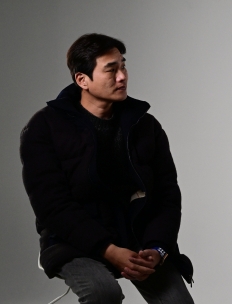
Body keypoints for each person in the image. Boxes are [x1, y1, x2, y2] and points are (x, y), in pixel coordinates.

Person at [20, 33, 194, 304]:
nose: (122, 76)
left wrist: (158, 248)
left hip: (139, 241)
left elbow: (168, 195)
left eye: (123, 66)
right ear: (82, 80)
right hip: (74, 243)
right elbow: (52, 206)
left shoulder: (145, 126)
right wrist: (108, 249)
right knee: (104, 293)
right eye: (111, 70)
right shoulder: (44, 128)